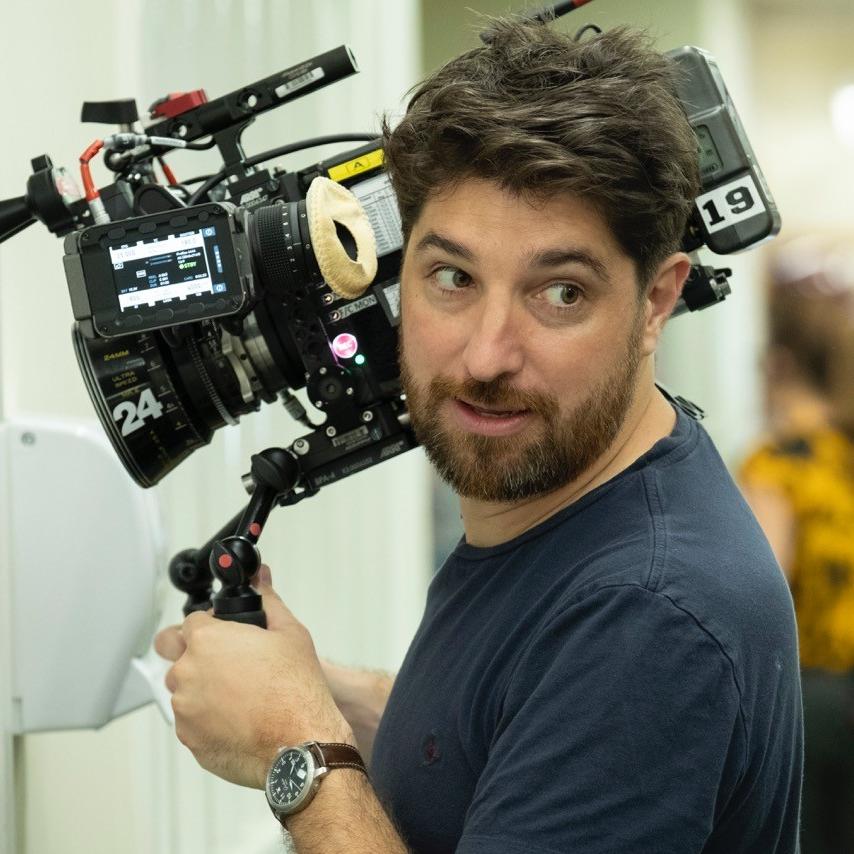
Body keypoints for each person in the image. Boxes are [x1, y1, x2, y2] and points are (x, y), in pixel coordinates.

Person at [155, 19, 803, 853]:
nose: (487, 355)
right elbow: (518, 743)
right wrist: (321, 694)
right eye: (453, 277)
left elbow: (606, 692)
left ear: (655, 302)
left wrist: (298, 748)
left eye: (560, 293)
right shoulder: (581, 507)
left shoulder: (647, 616)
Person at [739, 240, 854, 854]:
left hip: (816, 698)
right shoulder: (845, 452)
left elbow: (762, 586)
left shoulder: (777, 463)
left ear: (777, 364)